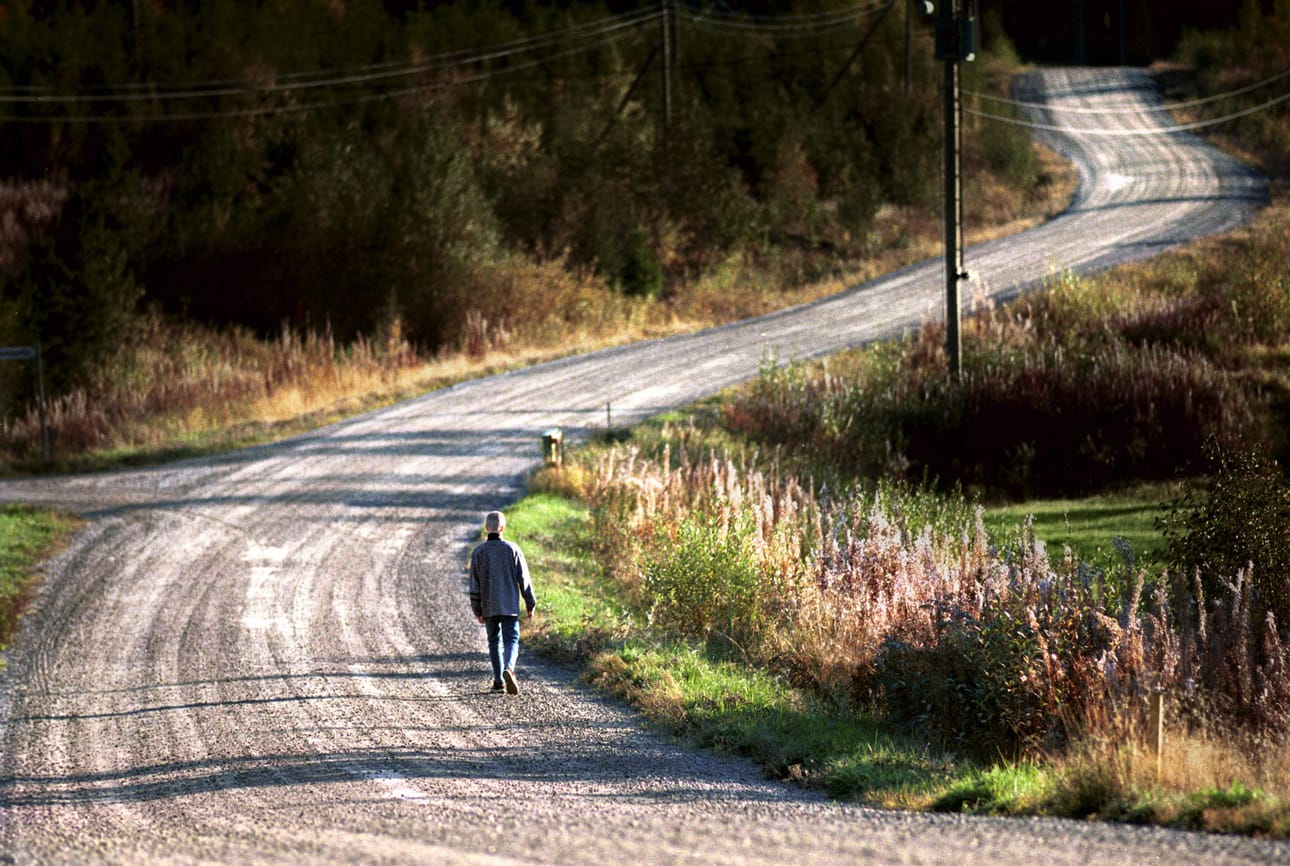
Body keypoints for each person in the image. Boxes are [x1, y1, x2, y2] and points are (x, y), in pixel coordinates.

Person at [468, 510, 537, 695]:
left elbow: (474, 584)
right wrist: (530, 603)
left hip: (489, 606)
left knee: (493, 641)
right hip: (510, 606)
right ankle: (509, 668)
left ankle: (498, 682)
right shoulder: (512, 549)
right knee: (511, 640)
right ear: (503, 527)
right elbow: (524, 579)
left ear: (486, 529)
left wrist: (477, 608)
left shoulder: (478, 552)